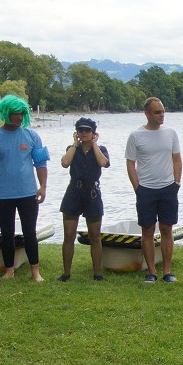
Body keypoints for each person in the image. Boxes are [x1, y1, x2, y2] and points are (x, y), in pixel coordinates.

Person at [0, 95, 49, 282]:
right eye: (15, 114)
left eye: (21, 113)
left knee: (29, 231)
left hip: (28, 193)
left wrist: (42, 186)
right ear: (5, 113)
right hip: (3, 194)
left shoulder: (32, 136)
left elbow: (41, 163)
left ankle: (35, 270)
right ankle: (9, 269)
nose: (19, 117)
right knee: (7, 233)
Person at [125, 97, 182, 283]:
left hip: (168, 188)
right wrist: (137, 188)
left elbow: (177, 160)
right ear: (147, 114)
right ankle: (151, 271)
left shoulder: (171, 133)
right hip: (146, 190)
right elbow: (130, 164)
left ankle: (167, 271)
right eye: (157, 112)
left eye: (163, 111)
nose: (162, 115)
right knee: (147, 231)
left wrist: (176, 184)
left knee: (167, 229)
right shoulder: (136, 136)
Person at [59, 117, 110, 282]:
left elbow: (103, 162)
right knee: (69, 235)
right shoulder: (72, 149)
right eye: (80, 130)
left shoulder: (101, 149)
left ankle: (97, 273)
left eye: (87, 130)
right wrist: (75, 144)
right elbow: (65, 163)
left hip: (92, 193)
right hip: (74, 192)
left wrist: (94, 144)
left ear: (94, 133)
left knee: (95, 235)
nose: (83, 133)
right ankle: (66, 273)